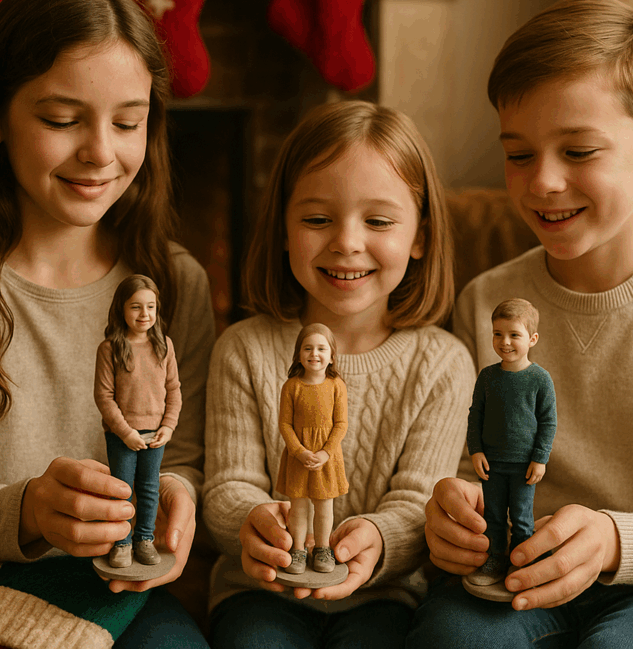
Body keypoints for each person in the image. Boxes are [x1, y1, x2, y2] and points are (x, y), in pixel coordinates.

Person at [0, 0, 215, 648]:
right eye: (61, 120)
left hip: (128, 602)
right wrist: (27, 511)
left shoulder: (177, 283)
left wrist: (177, 500)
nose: (100, 153)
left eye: (128, 121)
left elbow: (189, 458)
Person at [409, 0, 633, 647]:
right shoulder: (486, 300)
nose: (541, 182)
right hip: (511, 573)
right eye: (518, 154)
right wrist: (450, 509)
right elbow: (458, 460)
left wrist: (614, 538)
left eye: (578, 151)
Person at [203, 100, 475, 649]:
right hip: (259, 592)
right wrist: (253, 522)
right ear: (282, 228)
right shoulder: (243, 348)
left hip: (385, 596)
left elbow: (420, 498)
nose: (346, 242)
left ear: (420, 236)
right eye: (317, 219)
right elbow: (228, 484)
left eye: (378, 221)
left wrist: (377, 538)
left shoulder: (443, 364)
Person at [464, 298, 556, 590]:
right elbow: (475, 414)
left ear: (532, 338)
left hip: (524, 466)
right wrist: (475, 450)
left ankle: (521, 563)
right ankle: (495, 559)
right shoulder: (488, 377)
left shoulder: (540, 379)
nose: (505, 342)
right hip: (491, 463)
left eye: (514, 335)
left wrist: (540, 458)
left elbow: (548, 421)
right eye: (498, 334)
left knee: (521, 518)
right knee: (493, 516)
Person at [95, 274, 183, 569]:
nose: (144, 315)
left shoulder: (164, 346)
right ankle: (121, 543)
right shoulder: (109, 349)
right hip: (122, 436)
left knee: (148, 488)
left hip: (155, 435)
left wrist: (167, 427)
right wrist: (125, 432)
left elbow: (174, 391)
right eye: (135, 307)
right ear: (121, 308)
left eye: (150, 307)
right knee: (123, 489)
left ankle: (144, 539)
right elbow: (104, 398)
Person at [276, 323, 348, 576]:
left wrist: (326, 453)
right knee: (298, 507)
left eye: (321, 348)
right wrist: (299, 452)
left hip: (327, 458)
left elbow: (341, 424)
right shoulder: (291, 387)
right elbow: (284, 424)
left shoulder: (336, 385)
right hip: (299, 458)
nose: (314, 354)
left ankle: (322, 548)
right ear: (298, 354)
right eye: (308, 348)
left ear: (331, 356)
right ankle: (297, 549)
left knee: (324, 507)